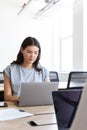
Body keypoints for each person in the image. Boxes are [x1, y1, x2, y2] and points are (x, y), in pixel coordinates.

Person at [3, 36, 50, 102]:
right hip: (17, 105)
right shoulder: (10, 70)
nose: (32, 56)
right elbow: (7, 97)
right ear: (22, 50)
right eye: (29, 52)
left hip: (38, 105)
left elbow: (48, 94)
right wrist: (21, 99)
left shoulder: (43, 71)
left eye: (35, 53)